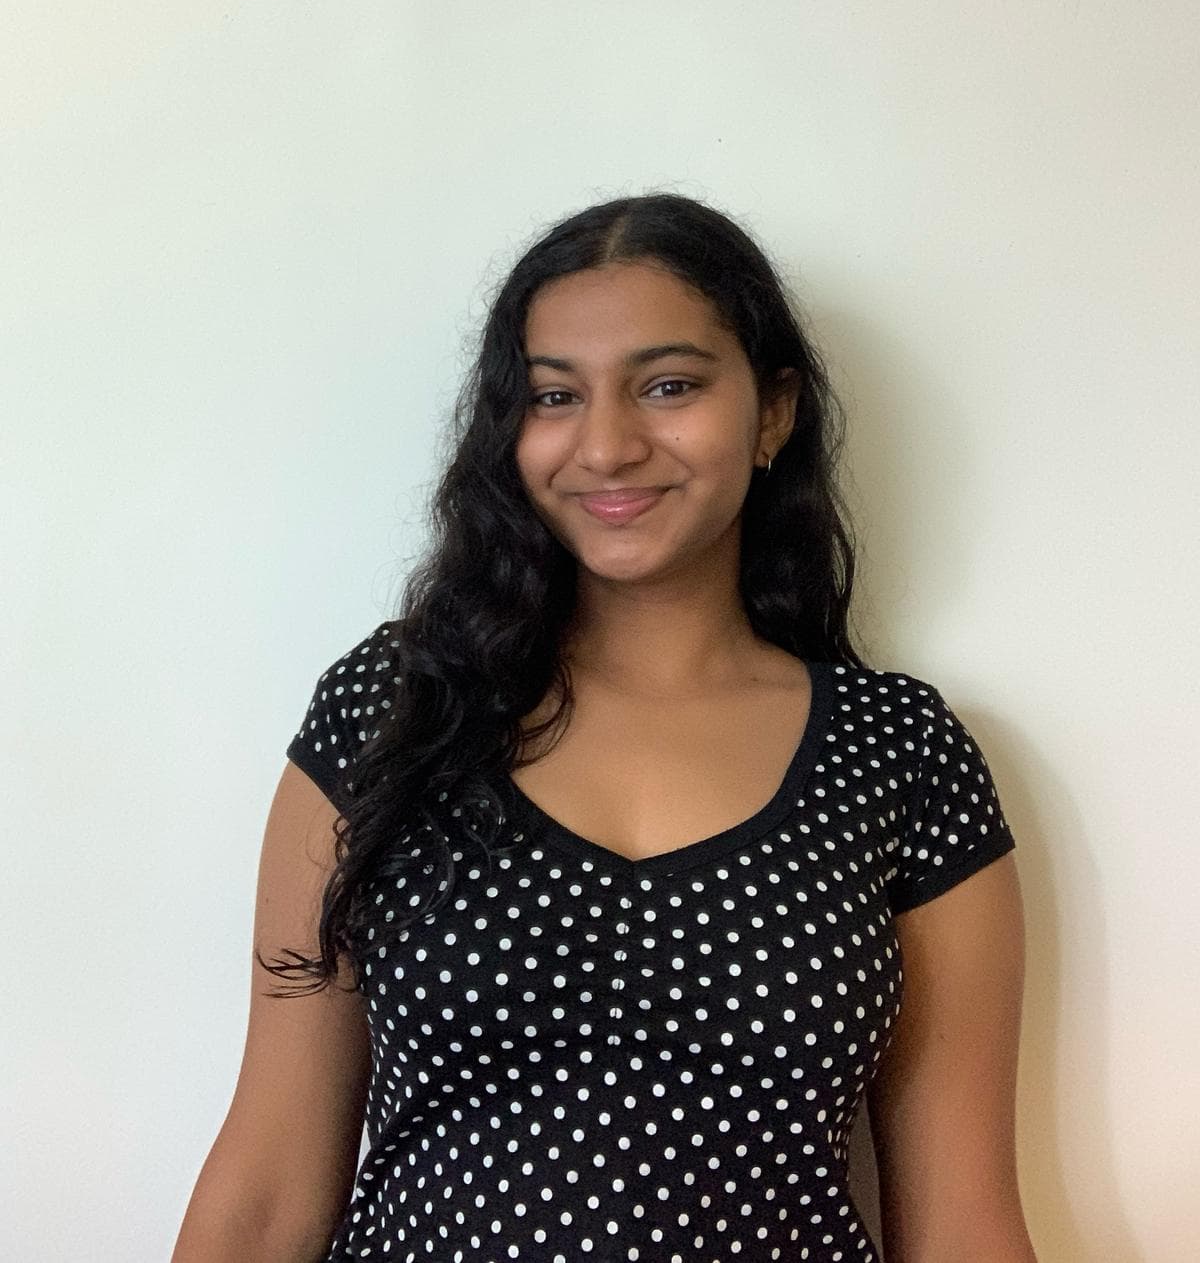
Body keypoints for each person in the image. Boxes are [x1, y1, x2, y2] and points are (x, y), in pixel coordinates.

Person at [173, 191, 1038, 1263]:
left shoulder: (899, 754)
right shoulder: (393, 709)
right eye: (554, 396)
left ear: (773, 412)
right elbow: (266, 1191)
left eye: (668, 385)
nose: (609, 445)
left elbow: (962, 1223)